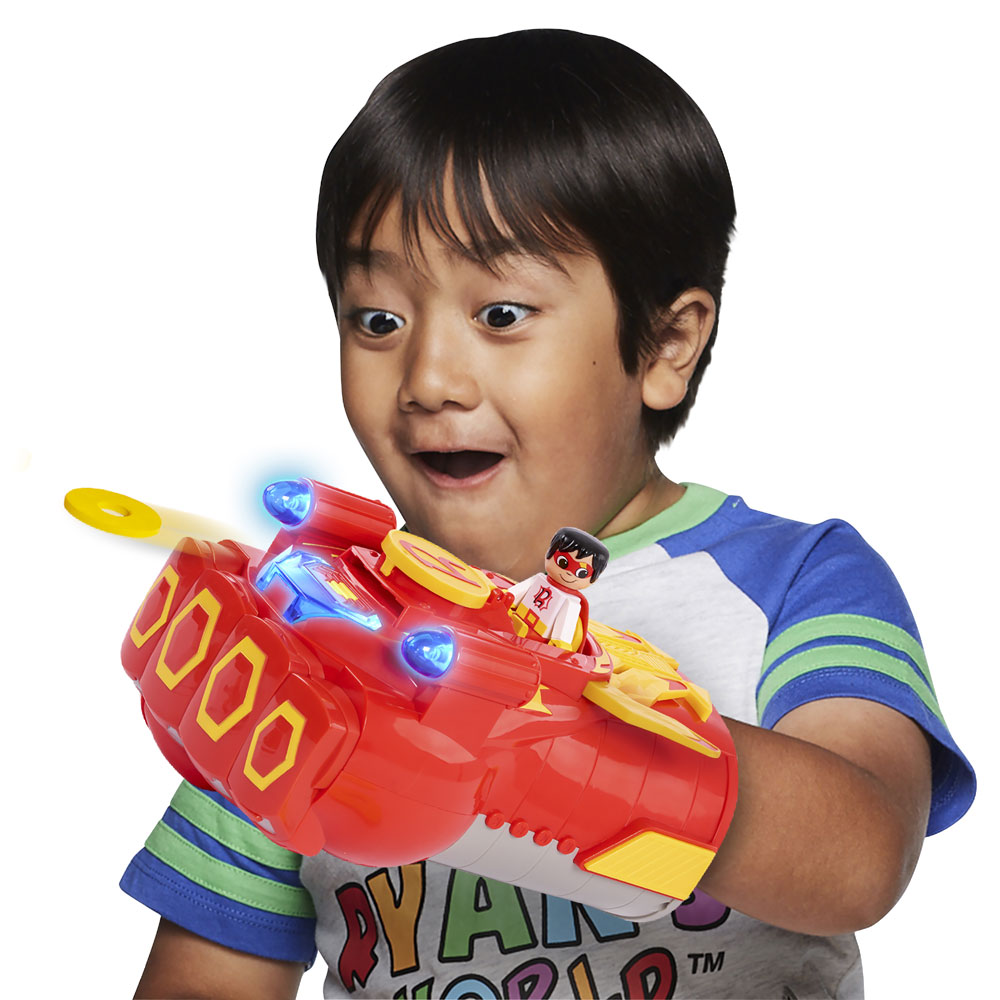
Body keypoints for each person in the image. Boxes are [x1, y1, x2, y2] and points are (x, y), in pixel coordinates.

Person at [123, 29, 975, 999]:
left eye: (501, 315)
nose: (429, 379)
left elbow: (862, 855)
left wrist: (546, 739)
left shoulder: (794, 580)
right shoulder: (313, 645)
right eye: (378, 320)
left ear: (666, 344)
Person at [507, 527, 609, 649]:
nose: (569, 573)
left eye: (582, 572)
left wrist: (560, 642)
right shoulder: (539, 579)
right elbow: (515, 593)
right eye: (563, 562)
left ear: (594, 578)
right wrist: (506, 597)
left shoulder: (570, 602)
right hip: (513, 619)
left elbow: (565, 625)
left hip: (537, 640)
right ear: (549, 553)